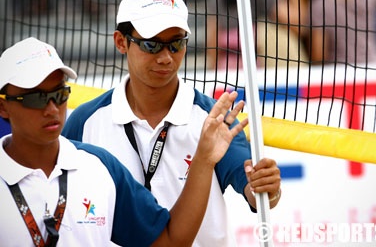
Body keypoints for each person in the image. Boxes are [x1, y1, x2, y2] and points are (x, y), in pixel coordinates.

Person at [62, 0, 282, 246]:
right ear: (121, 42)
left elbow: (252, 187)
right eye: (152, 45)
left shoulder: (213, 119)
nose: (166, 57)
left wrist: (266, 187)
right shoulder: (85, 122)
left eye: (176, 43)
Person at [0, 37, 248, 246]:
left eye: (59, 94)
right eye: (36, 99)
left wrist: (203, 160)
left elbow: (171, 241)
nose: (52, 109)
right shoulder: (87, 124)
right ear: (3, 106)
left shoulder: (99, 165)